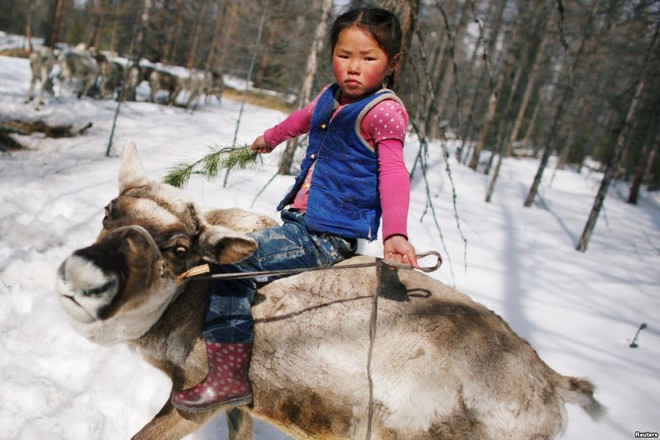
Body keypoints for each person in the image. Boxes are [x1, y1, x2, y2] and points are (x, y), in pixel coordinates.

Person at [172, 6, 418, 412]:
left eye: (368, 58)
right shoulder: (330, 95)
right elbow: (304, 118)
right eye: (344, 55)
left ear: (392, 63)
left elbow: (393, 172)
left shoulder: (384, 112)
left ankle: (228, 376)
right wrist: (270, 138)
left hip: (326, 234)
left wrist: (395, 232)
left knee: (233, 265)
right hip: (301, 221)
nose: (353, 68)